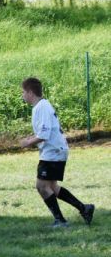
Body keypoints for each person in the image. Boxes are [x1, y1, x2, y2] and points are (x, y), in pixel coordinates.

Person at [19, 77, 94, 227]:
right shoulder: (41, 106)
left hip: (53, 152)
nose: (22, 95)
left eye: (23, 92)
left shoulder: (42, 107)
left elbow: (44, 135)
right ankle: (84, 208)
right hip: (55, 151)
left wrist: (28, 142)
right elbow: (45, 131)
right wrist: (32, 138)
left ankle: (60, 220)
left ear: (30, 92)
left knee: (41, 186)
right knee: (52, 187)